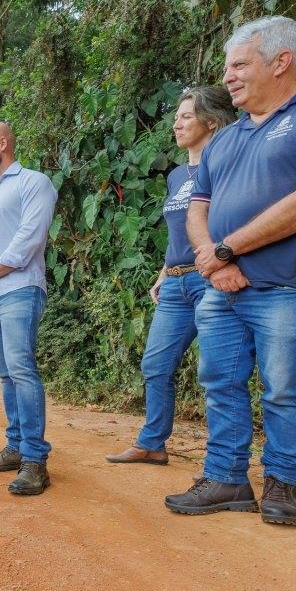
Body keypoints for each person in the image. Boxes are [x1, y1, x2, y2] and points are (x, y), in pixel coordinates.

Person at [165, 16, 296, 526]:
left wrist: (226, 251)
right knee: (220, 382)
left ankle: (282, 482)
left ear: (282, 62)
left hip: (287, 284)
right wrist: (213, 261)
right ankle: (227, 478)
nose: (228, 76)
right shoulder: (227, 138)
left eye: (239, 65)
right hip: (221, 285)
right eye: (227, 67)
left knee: (283, 386)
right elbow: (197, 206)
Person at [106, 87, 236, 465]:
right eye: (176, 117)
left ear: (211, 122)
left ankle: (222, 461)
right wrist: (163, 272)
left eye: (186, 117)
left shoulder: (226, 164)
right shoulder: (177, 175)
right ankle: (152, 442)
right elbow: (180, 230)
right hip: (177, 281)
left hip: (210, 276)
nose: (176, 124)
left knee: (216, 371)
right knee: (156, 364)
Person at [0, 122, 58, 496]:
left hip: (19, 289)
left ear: (2, 143)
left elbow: (31, 237)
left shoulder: (33, 182)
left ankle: (35, 461)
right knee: (4, 373)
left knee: (21, 369)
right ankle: (16, 445)